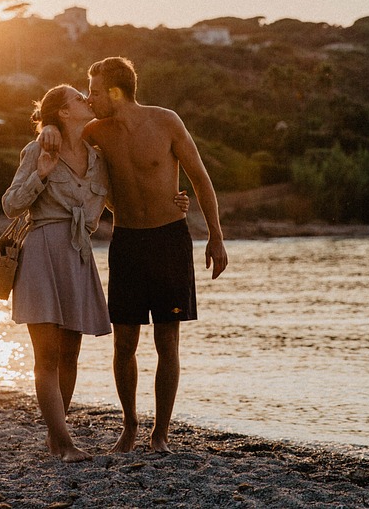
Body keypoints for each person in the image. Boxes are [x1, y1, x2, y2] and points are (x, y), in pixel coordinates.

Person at [41, 56, 228, 454]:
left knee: (167, 341)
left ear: (114, 91)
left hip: (169, 240)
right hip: (126, 243)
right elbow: (61, 133)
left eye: (92, 90)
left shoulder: (166, 122)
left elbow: (200, 177)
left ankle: (160, 433)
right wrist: (49, 131)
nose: (88, 99)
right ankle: (129, 428)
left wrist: (216, 236)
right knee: (124, 344)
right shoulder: (95, 132)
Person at [2, 84, 190, 461]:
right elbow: (10, 205)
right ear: (63, 112)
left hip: (78, 255)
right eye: (77, 98)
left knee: (70, 354)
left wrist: (170, 202)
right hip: (42, 251)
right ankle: (65, 442)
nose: (86, 100)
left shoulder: (97, 158)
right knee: (47, 357)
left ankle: (57, 437)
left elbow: (120, 202)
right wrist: (41, 172)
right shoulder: (39, 148)